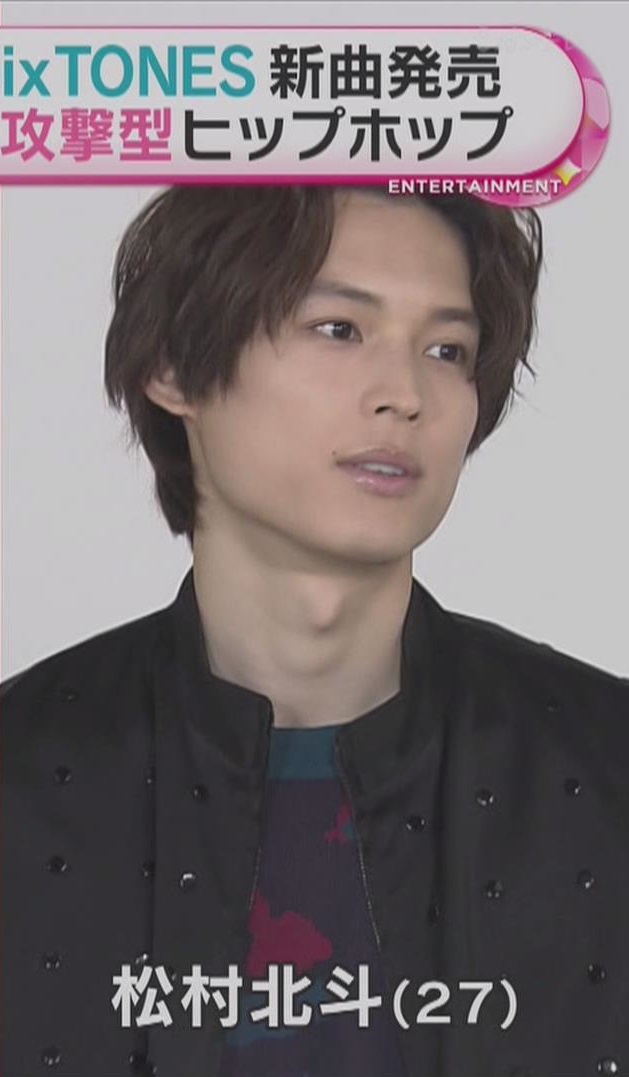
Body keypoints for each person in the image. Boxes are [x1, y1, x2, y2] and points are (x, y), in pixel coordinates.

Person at [2, 185, 627, 1077]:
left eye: (446, 350)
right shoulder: (26, 769)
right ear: (174, 364)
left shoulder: (601, 764)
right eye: (338, 329)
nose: (404, 394)